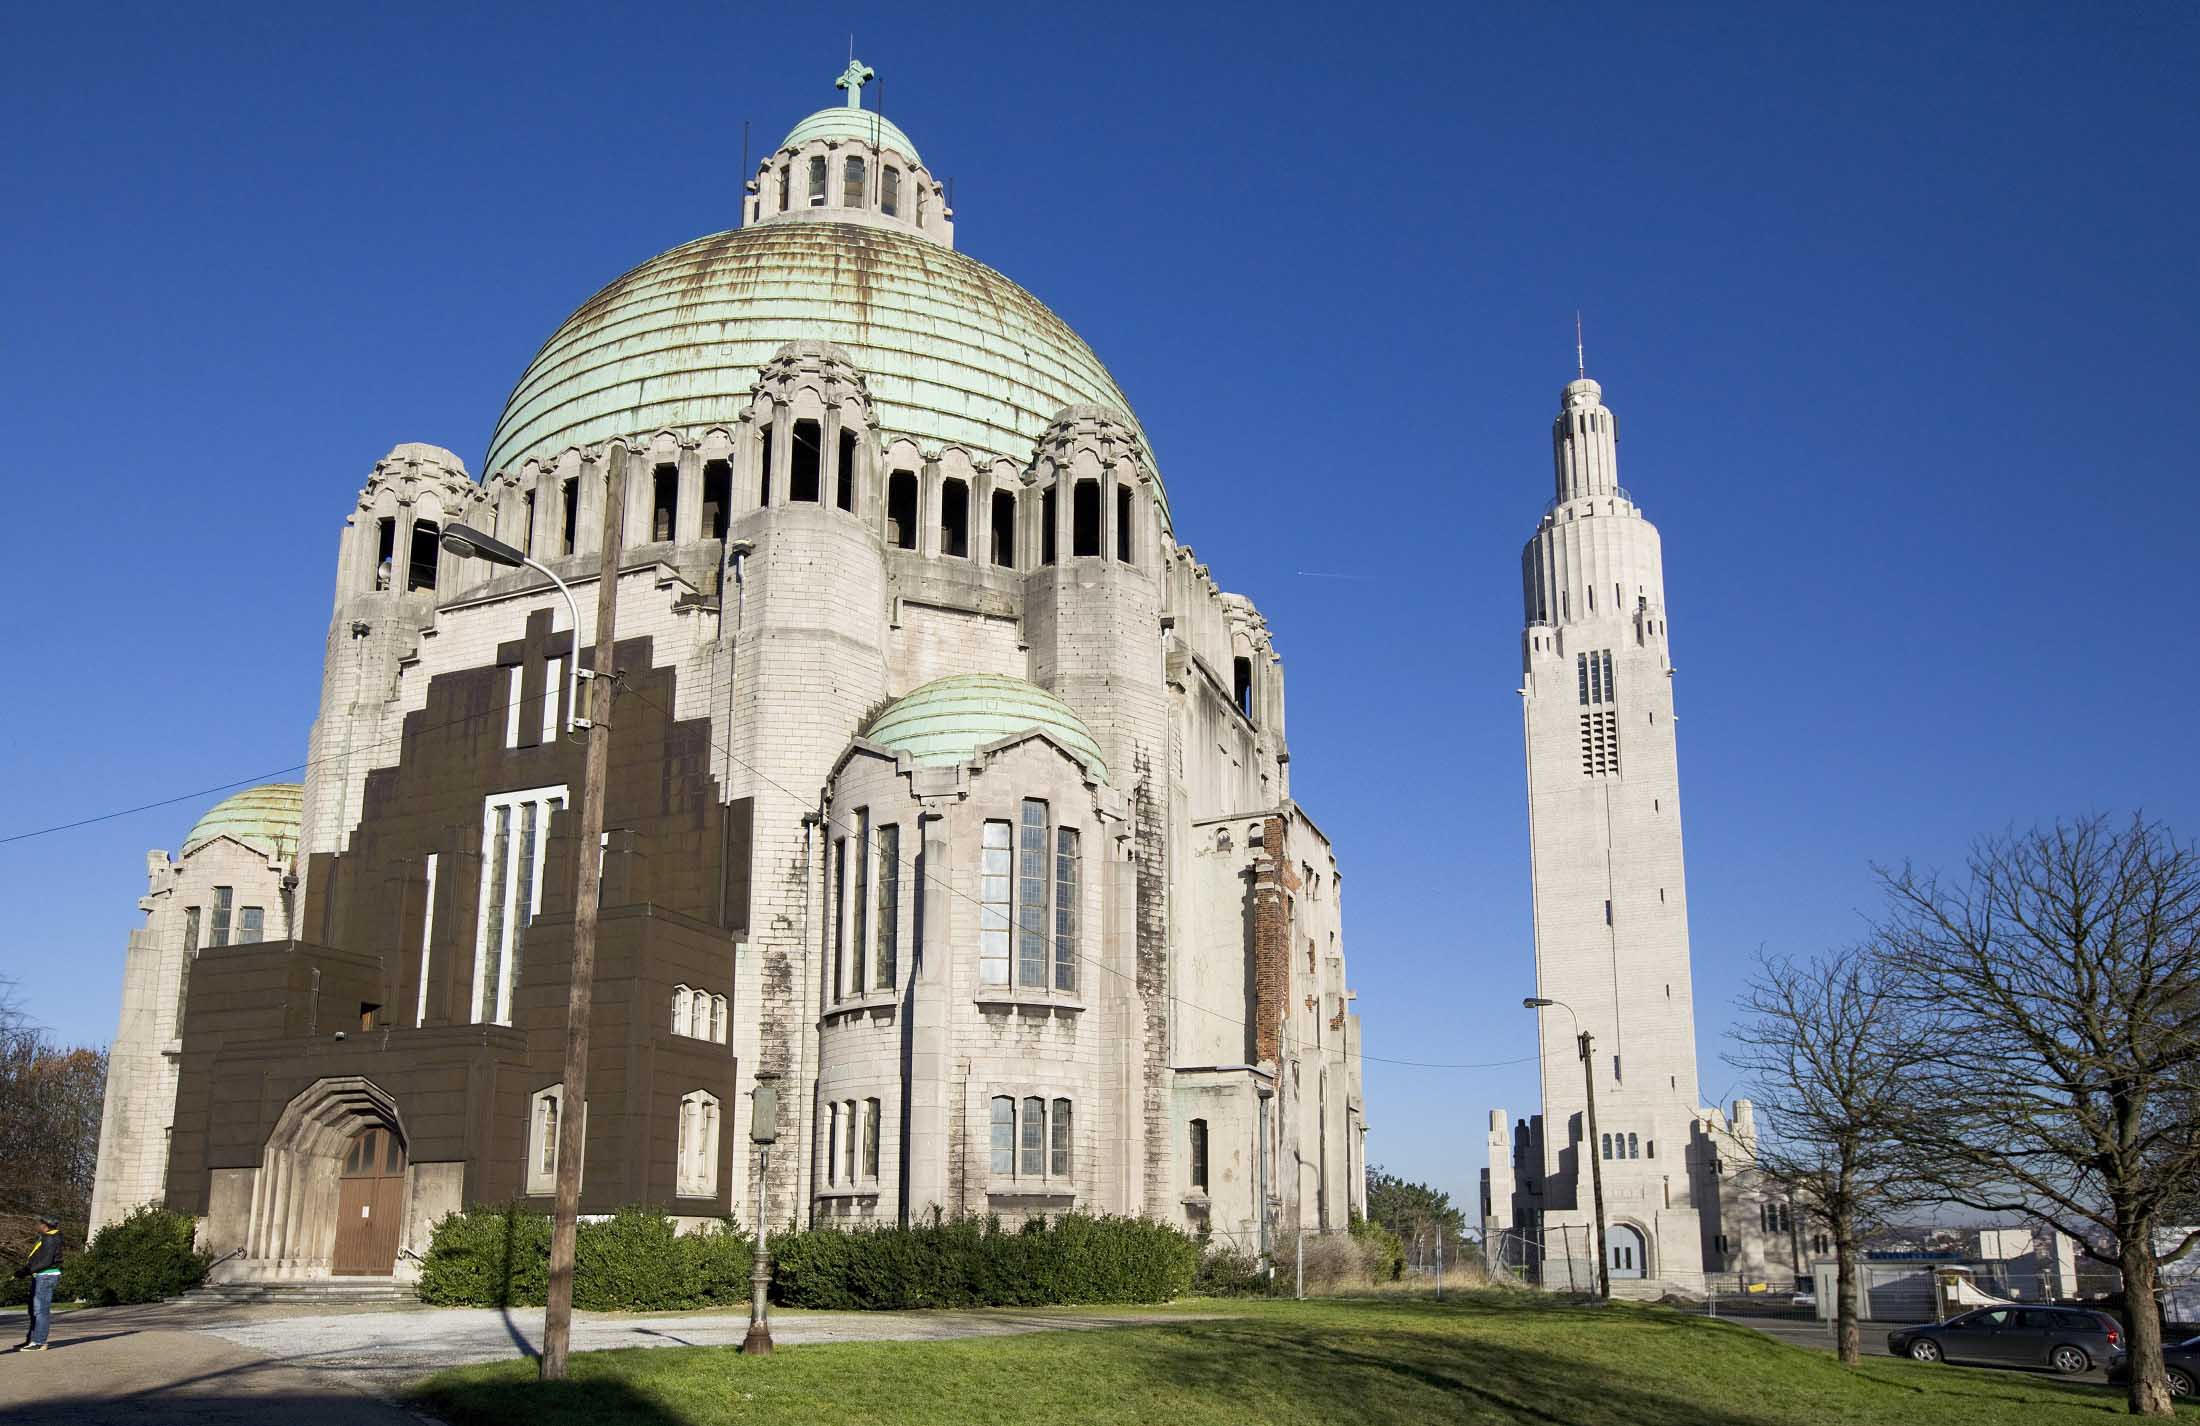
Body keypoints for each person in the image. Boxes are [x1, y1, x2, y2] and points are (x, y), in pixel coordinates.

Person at [13, 1215, 64, 1351]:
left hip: (46, 1275)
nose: (38, 1225)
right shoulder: (48, 1236)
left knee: (41, 1310)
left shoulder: (51, 1238)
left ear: (45, 1226)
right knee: (34, 1309)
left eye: (40, 1223)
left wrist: (27, 1271)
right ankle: (32, 1340)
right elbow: (39, 1257)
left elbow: (46, 1260)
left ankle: (39, 1342)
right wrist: (26, 1269)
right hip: (41, 1275)